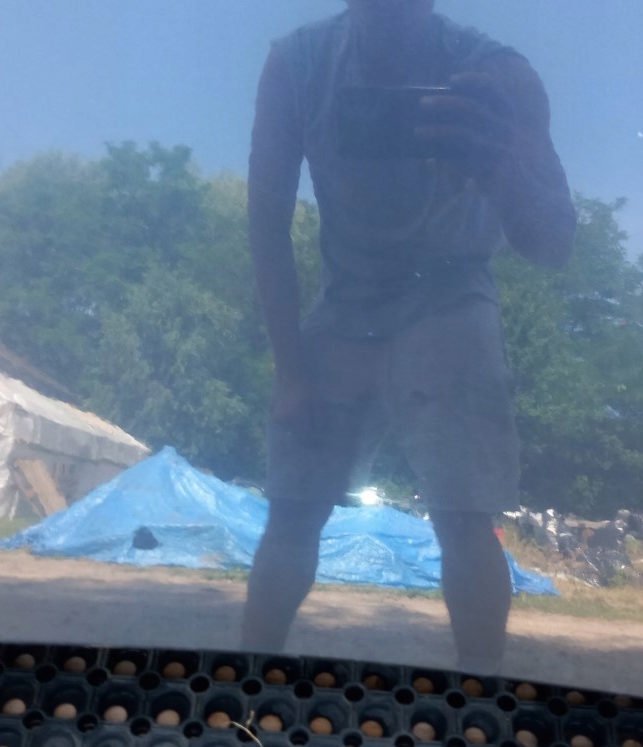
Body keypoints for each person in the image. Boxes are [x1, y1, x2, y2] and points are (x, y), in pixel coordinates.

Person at [241, 0, 576, 673]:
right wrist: (291, 374)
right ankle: (241, 687)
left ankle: (478, 700)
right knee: (293, 508)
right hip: (347, 299)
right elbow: (265, 222)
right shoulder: (296, 64)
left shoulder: (499, 74)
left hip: (450, 293)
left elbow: (554, 243)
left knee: (465, 516)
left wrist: (500, 165)